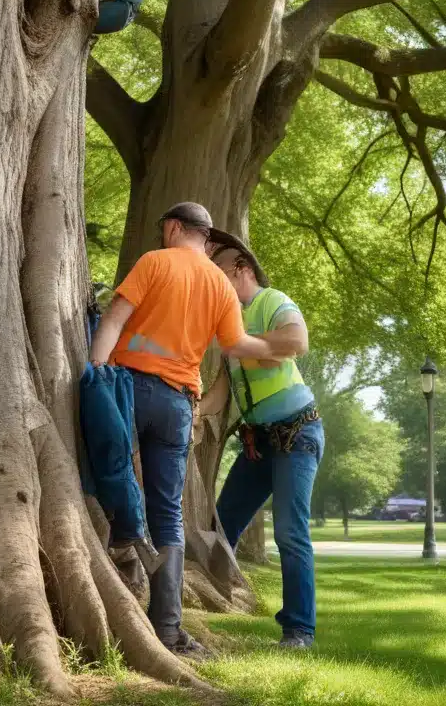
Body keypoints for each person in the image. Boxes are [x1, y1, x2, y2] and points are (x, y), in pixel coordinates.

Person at [88, 202, 279, 656]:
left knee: (98, 468)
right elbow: (234, 346)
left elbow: (115, 317)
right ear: (206, 236)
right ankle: (168, 630)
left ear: (173, 228)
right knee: (169, 515)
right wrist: (276, 347)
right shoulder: (220, 284)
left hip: (129, 388)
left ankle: (120, 546)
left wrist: (95, 371)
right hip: (178, 403)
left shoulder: (155, 262)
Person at [198, 235, 323, 650]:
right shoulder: (227, 323)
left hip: (297, 433)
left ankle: (299, 631)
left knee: (290, 531)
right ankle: (208, 607)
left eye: (219, 276)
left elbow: (296, 341)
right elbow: (221, 391)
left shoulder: (272, 300)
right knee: (222, 526)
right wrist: (194, 413)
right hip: (257, 444)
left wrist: (245, 346)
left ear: (243, 270)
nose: (213, 286)